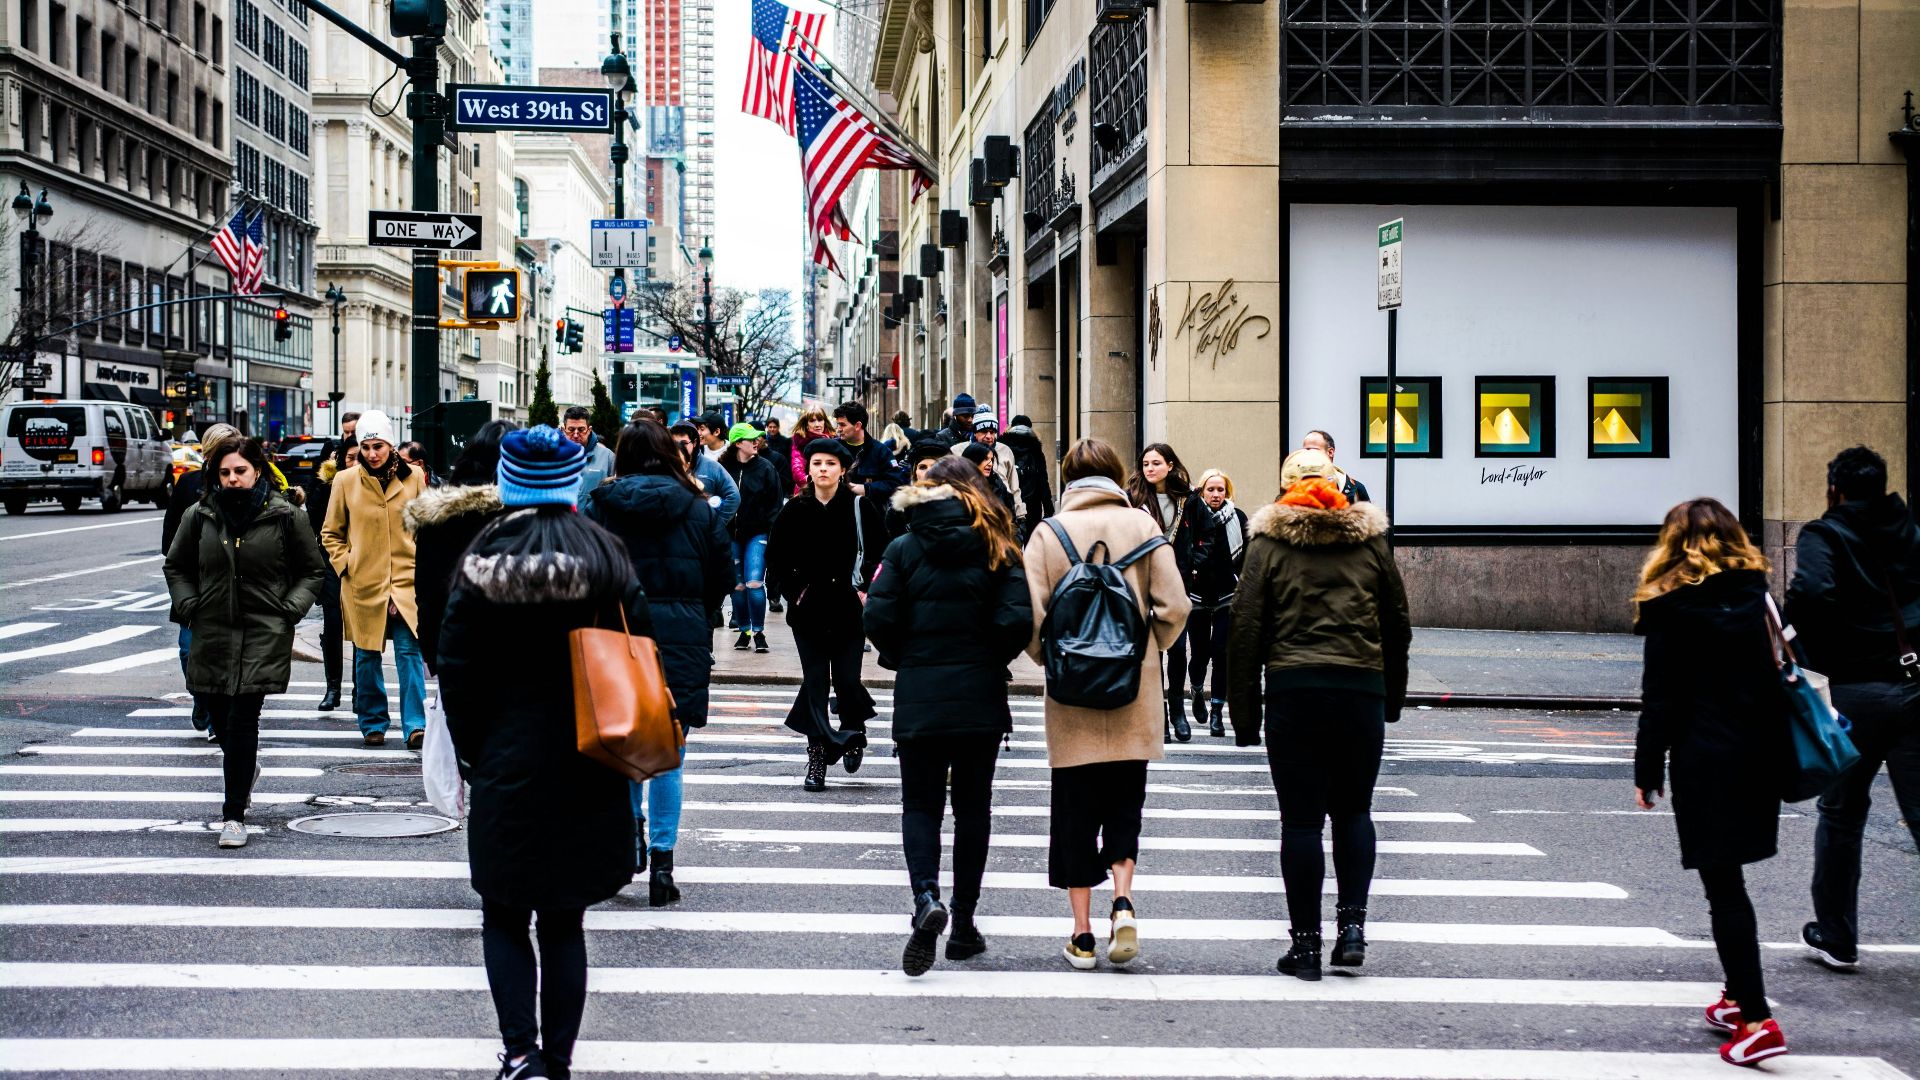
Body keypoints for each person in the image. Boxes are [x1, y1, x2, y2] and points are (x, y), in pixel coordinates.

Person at [437, 425, 654, 1080]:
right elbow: (642, 648)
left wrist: (475, 757)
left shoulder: (483, 557)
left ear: (508, 484)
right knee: (565, 921)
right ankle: (557, 1061)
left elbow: (456, 670)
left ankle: (518, 1052)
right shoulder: (605, 555)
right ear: (570, 483)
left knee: (504, 913)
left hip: (506, 758)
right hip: (591, 758)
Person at [1227, 448, 1410, 982]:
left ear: (1285, 486)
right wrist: (1391, 697)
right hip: (1360, 690)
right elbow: (1396, 623)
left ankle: (1305, 946)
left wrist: (1245, 715)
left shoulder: (1268, 544)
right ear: (1337, 483)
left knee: (1302, 821)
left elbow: (1246, 628)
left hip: (1295, 690)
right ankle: (1352, 929)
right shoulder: (1370, 542)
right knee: (1354, 812)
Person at [1631, 498, 1790, 1066]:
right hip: (1760, 754)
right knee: (1730, 880)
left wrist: (1647, 771)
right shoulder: (1759, 596)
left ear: (1672, 546)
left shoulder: (1670, 606)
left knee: (1724, 888)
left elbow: (1660, 699)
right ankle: (1735, 996)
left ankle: (1757, 1019)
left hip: (1704, 758)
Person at [1024, 438, 1190, 971]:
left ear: (1069, 477)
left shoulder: (1049, 532)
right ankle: (1123, 901)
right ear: (1117, 476)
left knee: (1073, 813)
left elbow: (1029, 615)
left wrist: (1053, 659)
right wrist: (1147, 652)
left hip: (1071, 695)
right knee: (1124, 802)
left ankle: (1082, 936)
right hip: (1132, 690)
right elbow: (1175, 605)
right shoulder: (1143, 526)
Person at [866, 456, 1033, 976]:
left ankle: (925, 898)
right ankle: (963, 924)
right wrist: (989, 658)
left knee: (920, 806)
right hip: (979, 693)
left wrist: (905, 657)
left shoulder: (904, 546)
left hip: (921, 690)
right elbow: (1017, 620)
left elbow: (877, 615)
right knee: (973, 810)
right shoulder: (999, 546)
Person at [583, 419, 733, 906]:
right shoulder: (699, 508)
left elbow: (589, 576)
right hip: (682, 638)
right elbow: (721, 577)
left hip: (619, 636)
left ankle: (631, 836)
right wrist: (698, 613)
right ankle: (663, 864)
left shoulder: (601, 505)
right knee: (670, 752)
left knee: (624, 746)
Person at [1786, 445, 1920, 971]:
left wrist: (1809, 646)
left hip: (1853, 693)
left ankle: (1838, 936)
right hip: (1913, 684)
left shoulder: (1825, 534)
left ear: (1835, 489)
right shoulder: (1909, 530)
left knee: (1842, 814)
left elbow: (1811, 592)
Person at [164, 434, 327, 850]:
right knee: (218, 716)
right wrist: (189, 606)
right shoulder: (199, 515)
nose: (233, 479)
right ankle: (244, 768)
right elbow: (176, 566)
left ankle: (233, 815)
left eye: (240, 471)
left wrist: (288, 611)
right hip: (212, 630)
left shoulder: (285, 515)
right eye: (225, 472)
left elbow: (312, 571)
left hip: (263, 631)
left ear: (257, 472)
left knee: (242, 718)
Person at [767, 436, 886, 792]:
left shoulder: (860, 506)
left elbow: (882, 552)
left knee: (847, 680)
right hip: (809, 611)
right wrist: (795, 592)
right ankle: (817, 754)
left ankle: (853, 729)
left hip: (850, 610)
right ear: (808, 468)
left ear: (842, 469)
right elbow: (777, 557)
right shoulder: (795, 509)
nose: (823, 469)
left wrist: (866, 590)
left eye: (830, 464)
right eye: (817, 463)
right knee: (815, 682)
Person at [319, 410, 430, 750]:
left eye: (378, 446)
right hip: (363, 582)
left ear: (390, 445)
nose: (371, 454)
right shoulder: (345, 481)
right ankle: (373, 723)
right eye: (365, 447)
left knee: (409, 652)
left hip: (406, 580)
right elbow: (331, 533)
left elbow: (425, 527)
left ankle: (416, 725)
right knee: (366, 656)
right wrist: (347, 565)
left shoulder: (414, 477)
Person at [404, 420, 516, 674]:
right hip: (507, 646)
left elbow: (427, 589)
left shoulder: (437, 512)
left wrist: (431, 648)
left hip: (452, 641)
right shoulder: (516, 511)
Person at [161, 421, 241, 732]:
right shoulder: (188, 484)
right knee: (188, 650)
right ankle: (201, 698)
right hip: (196, 585)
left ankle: (218, 716)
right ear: (207, 453)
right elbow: (170, 542)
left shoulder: (243, 482)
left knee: (228, 655)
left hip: (233, 585)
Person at [1128, 442, 1197, 741]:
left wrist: (1194, 564)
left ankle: (1178, 708)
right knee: (1152, 652)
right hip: (1144, 583)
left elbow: (1205, 535)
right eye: (1146, 464)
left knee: (1178, 649)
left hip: (1177, 582)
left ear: (1170, 466)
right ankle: (1161, 715)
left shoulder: (1188, 499)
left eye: (1156, 463)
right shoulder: (1133, 498)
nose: (1150, 469)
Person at [1186, 468, 1248, 737]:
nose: (1215, 494)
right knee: (1200, 654)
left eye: (1220, 489)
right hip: (1197, 596)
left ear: (1227, 492)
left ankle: (1217, 713)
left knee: (1221, 653)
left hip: (1227, 594)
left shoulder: (1237, 518)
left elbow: (1246, 556)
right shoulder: (1192, 517)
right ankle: (1197, 690)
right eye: (1210, 489)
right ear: (1202, 492)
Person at [717, 421, 784, 653]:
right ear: (738, 443)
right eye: (751, 439)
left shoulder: (766, 468)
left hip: (758, 533)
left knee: (754, 582)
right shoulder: (723, 468)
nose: (756, 442)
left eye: (757, 438)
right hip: (730, 535)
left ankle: (759, 632)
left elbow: (775, 503)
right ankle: (744, 631)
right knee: (737, 586)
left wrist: (771, 532)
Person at [306, 436, 355, 712]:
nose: (354, 462)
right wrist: (327, 482)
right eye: (350, 457)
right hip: (331, 562)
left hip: (362, 564)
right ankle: (333, 688)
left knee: (361, 630)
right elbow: (313, 519)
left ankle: (360, 690)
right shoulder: (328, 484)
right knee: (333, 623)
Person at [952, 412, 1025, 534]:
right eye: (984, 431)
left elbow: (1014, 487)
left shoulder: (1005, 451)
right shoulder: (957, 451)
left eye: (992, 432)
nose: (989, 436)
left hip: (1002, 518)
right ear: (975, 432)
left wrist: (1020, 517)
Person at [833, 401, 908, 508]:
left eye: (842, 425)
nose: (838, 429)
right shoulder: (832, 448)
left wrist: (866, 489)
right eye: (838, 424)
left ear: (858, 426)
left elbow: (895, 484)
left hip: (870, 513)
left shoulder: (881, 451)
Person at [668, 422, 739, 523]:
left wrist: (718, 524)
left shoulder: (712, 467)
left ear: (694, 442)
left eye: (684, 443)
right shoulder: (666, 467)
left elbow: (733, 496)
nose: (679, 447)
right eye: (675, 444)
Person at [1001, 415, 1056, 537]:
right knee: (1031, 539)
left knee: (1011, 539)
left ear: (1011, 427)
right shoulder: (1036, 449)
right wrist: (1048, 509)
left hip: (1010, 502)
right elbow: (1043, 481)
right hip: (1032, 504)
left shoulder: (1003, 447)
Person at [888, 440, 954, 537]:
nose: (929, 472)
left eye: (935, 466)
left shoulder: (960, 503)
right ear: (915, 473)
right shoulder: (900, 510)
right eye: (923, 467)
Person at [561, 406, 615, 502]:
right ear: (563, 430)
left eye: (581, 429)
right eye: (571, 429)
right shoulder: (552, 458)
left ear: (589, 430)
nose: (576, 435)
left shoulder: (608, 457)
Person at [1301, 429, 1370, 504]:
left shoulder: (1357, 489)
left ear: (1330, 452)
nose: (1308, 455)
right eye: (1305, 451)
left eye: (1314, 450)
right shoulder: (1295, 486)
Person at [961, 441, 1018, 518]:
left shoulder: (997, 482)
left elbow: (1010, 514)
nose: (990, 464)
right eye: (985, 459)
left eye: (991, 459)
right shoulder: (960, 486)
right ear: (972, 460)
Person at [788, 408, 831, 496]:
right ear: (806, 424)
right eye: (812, 421)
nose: (817, 424)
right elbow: (797, 469)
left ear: (824, 422)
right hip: (806, 491)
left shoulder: (833, 440)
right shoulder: (799, 441)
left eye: (820, 420)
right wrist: (811, 482)